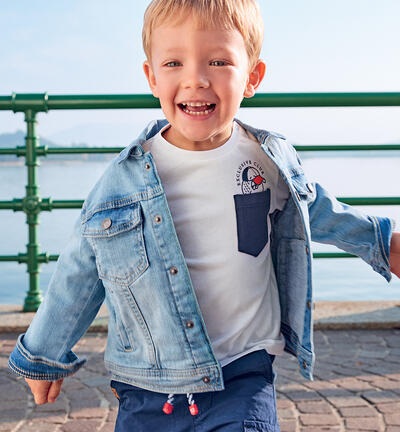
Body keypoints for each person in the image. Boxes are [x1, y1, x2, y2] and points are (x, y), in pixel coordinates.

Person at [8, 0, 400, 431]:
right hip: (147, 386)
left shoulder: (266, 161)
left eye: (218, 61)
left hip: (243, 375)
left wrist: (382, 242)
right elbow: (79, 272)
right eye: (174, 62)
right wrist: (43, 354)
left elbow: (316, 210)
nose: (195, 78)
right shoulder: (121, 182)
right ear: (152, 77)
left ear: (252, 77)